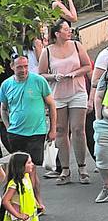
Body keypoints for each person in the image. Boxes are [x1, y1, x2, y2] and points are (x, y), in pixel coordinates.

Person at [36, 19, 91, 184]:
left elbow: (88, 66)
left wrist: (75, 73)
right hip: (58, 94)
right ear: (57, 33)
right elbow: (41, 74)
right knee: (60, 130)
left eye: (70, 29)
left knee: (78, 129)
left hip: (77, 91)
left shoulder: (76, 46)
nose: (70, 32)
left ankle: (82, 166)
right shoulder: (47, 51)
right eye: (66, 29)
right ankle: (65, 169)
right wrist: (54, 77)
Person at [1, 51, 55, 172]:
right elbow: (3, 108)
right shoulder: (6, 85)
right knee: (20, 169)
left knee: (32, 167)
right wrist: (8, 126)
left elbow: (51, 105)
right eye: (19, 67)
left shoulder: (38, 81)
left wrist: (52, 129)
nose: (23, 70)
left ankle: (33, 190)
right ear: (12, 66)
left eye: (26, 66)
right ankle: (24, 189)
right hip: (15, 133)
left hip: (36, 132)